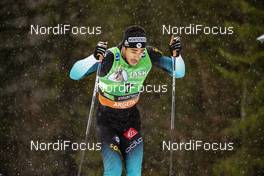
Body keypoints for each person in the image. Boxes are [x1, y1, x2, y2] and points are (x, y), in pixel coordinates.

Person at [70, 25, 185, 176]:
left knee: (134, 172)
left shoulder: (148, 56)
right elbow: (74, 74)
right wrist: (93, 57)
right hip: (107, 122)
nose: (137, 57)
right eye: (133, 51)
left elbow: (179, 72)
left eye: (141, 52)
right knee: (114, 170)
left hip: (131, 120)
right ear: (124, 47)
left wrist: (177, 56)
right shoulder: (110, 57)